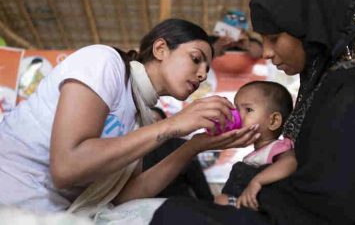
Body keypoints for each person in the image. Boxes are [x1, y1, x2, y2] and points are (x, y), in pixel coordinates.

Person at [149, 0, 355, 224]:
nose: (267, 53)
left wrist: (250, 190)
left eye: (274, 38)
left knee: (178, 214)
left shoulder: (354, 91)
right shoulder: (325, 86)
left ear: (309, 30)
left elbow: (338, 198)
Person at [0, 18, 260, 214]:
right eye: (196, 59)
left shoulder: (142, 116)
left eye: (207, 68)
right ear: (160, 49)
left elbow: (121, 196)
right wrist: (172, 125)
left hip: (48, 213)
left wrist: (194, 146)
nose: (202, 73)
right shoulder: (104, 62)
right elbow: (66, 167)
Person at [214, 81, 295, 210]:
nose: (238, 116)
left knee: (221, 201)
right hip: (245, 201)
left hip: (261, 206)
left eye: (248, 110)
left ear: (273, 121)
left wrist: (258, 181)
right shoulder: (255, 154)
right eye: (236, 109)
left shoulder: (276, 147)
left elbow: (290, 162)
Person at [143, 107, 213, 201]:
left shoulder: (182, 146)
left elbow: (197, 180)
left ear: (165, 122)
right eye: (147, 121)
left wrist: (209, 204)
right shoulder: (134, 150)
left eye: (156, 120)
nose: (152, 125)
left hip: (178, 203)